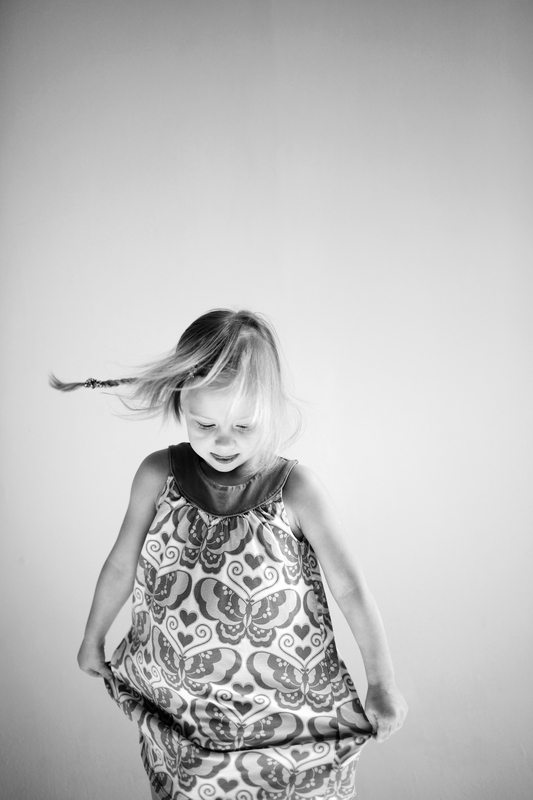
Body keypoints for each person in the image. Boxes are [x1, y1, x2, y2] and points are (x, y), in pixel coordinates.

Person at [51, 309, 407, 800]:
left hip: (287, 719)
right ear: (181, 403)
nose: (222, 441)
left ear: (272, 412)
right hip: (184, 715)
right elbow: (120, 564)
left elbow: (350, 589)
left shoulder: (297, 491)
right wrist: (93, 636)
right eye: (204, 423)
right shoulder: (158, 475)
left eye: (244, 425)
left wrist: (382, 683)